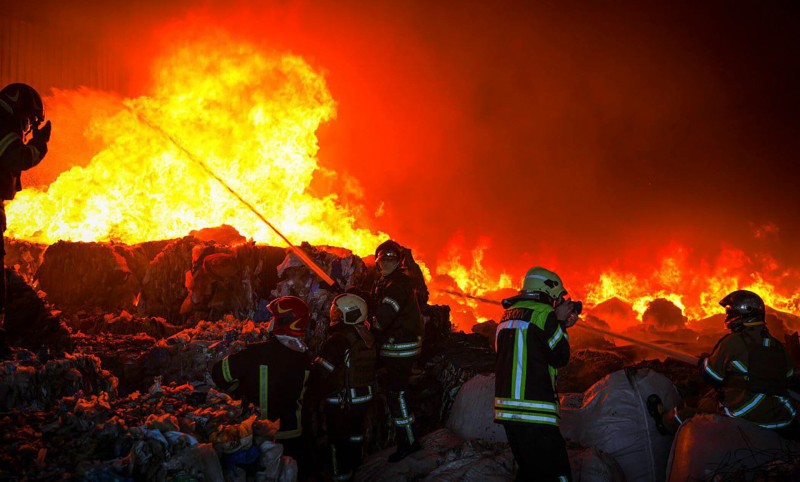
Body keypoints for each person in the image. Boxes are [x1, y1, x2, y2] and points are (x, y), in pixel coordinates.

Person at [648, 290, 796, 436]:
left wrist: (704, 362)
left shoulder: (734, 341)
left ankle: (665, 423)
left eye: (731, 313)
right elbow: (788, 376)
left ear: (742, 314)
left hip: (747, 413)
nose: (728, 317)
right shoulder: (778, 346)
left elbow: (712, 376)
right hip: (783, 415)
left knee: (700, 406)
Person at [494, 266, 580, 482]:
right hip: (535, 409)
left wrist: (558, 323)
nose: (558, 302)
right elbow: (560, 356)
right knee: (557, 472)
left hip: (507, 411)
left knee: (530, 470)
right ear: (548, 291)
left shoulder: (506, 316)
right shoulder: (544, 315)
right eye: (558, 297)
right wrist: (560, 324)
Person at [211, 296, 312, 462]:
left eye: (274, 318)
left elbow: (219, 373)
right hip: (294, 434)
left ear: (283, 321)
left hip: (259, 436)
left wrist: (239, 390)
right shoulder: (306, 358)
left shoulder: (257, 352)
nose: (271, 322)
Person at [305, 293, 377, 481]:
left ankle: (341, 476)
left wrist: (309, 390)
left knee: (337, 441)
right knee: (355, 435)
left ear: (349, 314)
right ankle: (356, 468)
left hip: (341, 400)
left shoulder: (339, 339)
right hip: (362, 398)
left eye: (338, 312)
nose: (334, 315)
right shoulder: (365, 335)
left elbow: (322, 371)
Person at [0, 83, 50, 349]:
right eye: (29, 119)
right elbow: (16, 157)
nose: (27, 126)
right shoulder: (4, 122)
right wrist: (39, 145)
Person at [370, 239, 424, 462]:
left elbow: (383, 318)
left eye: (391, 260)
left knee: (397, 395)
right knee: (396, 393)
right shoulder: (389, 281)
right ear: (377, 262)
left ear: (399, 262)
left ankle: (408, 443)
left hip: (400, 348)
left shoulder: (397, 285)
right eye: (383, 260)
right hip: (397, 346)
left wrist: (368, 324)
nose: (386, 264)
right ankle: (407, 439)